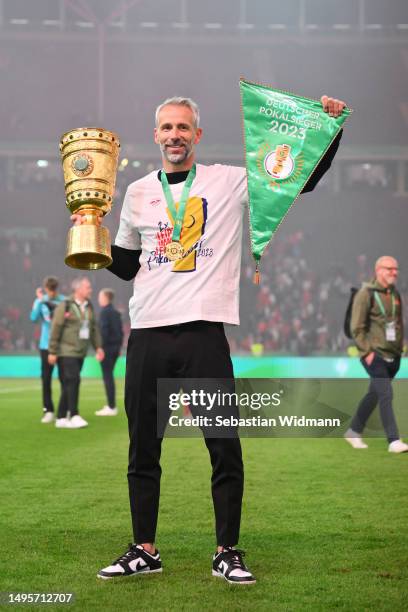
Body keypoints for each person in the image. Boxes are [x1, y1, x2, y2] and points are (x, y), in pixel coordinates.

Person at [72, 94, 347, 583]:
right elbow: (132, 265)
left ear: (197, 135)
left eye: (183, 127)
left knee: (223, 445)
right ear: (155, 135)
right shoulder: (135, 192)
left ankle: (227, 550)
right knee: (142, 449)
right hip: (149, 333)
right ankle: (144, 548)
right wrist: (90, 234)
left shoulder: (229, 180)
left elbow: (297, 182)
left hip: (203, 333)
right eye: (166, 127)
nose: (174, 135)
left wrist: (329, 130)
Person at [345, 256, 408, 453]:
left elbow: (398, 323)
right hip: (374, 355)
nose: (394, 272)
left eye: (396, 269)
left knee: (374, 394)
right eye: (389, 269)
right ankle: (393, 440)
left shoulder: (395, 294)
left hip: (393, 355)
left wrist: (401, 346)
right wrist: (367, 353)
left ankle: (354, 431)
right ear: (378, 270)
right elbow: (356, 327)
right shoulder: (365, 294)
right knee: (386, 394)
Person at [48, 277, 104, 429]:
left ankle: (60, 417)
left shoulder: (89, 306)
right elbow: (56, 328)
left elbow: (93, 329)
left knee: (69, 383)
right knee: (73, 380)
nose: (90, 290)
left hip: (81, 351)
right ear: (78, 289)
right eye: (88, 287)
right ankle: (74, 414)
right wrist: (52, 351)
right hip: (66, 351)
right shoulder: (65, 305)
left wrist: (98, 347)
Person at [29, 276, 65, 423]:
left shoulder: (64, 300)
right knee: (46, 378)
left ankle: (65, 409)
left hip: (62, 344)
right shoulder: (40, 301)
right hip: (45, 346)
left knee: (65, 378)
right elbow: (32, 318)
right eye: (49, 291)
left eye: (53, 290)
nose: (51, 293)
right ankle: (48, 410)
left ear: (56, 289)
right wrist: (39, 302)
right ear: (45, 289)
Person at [95, 288, 124, 416]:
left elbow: (103, 332)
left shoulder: (104, 313)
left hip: (106, 349)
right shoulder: (116, 313)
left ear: (105, 297)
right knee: (109, 376)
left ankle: (111, 406)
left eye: (100, 296)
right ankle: (111, 405)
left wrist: (99, 348)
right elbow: (121, 333)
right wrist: (118, 348)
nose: (98, 299)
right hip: (115, 349)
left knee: (107, 377)